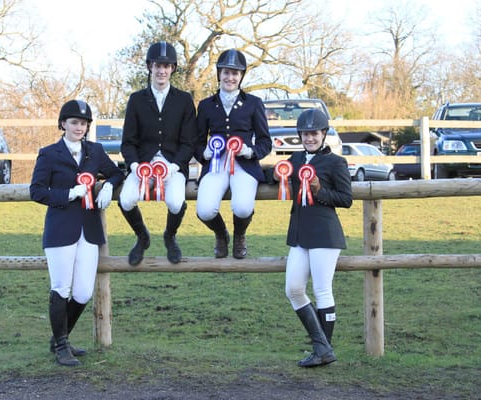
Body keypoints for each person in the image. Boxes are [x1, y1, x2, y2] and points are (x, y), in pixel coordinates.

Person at [30, 99, 125, 366]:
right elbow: (36, 191)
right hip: (61, 228)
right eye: (74, 122)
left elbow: (117, 173)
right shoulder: (49, 154)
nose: (79, 127)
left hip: (89, 229)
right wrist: (69, 194)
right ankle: (61, 345)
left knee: (83, 292)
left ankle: (59, 338)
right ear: (63, 124)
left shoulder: (95, 151)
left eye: (83, 123)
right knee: (61, 287)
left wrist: (107, 186)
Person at [275, 108, 352, 367]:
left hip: (324, 233)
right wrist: (274, 174)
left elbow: (345, 199)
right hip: (299, 233)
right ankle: (322, 346)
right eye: (306, 134)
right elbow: (277, 178)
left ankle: (323, 350)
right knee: (293, 289)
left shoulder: (336, 163)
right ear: (300, 135)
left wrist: (319, 190)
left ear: (324, 134)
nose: (310, 138)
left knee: (322, 289)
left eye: (314, 134)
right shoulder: (295, 160)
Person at [119, 41, 197, 266]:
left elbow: (188, 141)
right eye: (157, 65)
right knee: (126, 199)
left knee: (175, 202)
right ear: (149, 67)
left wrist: (174, 166)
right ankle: (142, 237)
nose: (161, 70)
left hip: (173, 165)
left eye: (166, 65)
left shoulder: (183, 100)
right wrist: (135, 166)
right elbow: (128, 142)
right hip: (143, 164)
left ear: (172, 68)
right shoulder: (136, 100)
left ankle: (170, 236)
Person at [194, 49, 272, 259]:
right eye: (226, 72)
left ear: (241, 76)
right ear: (219, 74)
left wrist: (250, 151)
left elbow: (266, 142)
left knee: (243, 208)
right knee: (204, 210)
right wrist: (206, 153)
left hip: (244, 165)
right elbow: (197, 142)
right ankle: (221, 234)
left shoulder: (253, 103)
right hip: (216, 165)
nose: (230, 77)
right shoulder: (206, 105)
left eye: (235, 73)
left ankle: (240, 234)